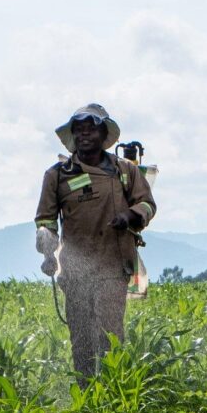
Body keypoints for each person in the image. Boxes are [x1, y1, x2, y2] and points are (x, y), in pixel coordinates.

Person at [35, 104, 157, 381]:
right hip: (75, 269)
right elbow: (46, 221)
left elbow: (148, 204)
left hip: (114, 264)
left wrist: (130, 216)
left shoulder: (125, 170)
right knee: (81, 336)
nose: (84, 135)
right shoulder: (57, 175)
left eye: (91, 130)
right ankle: (86, 393)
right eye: (79, 131)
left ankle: (114, 390)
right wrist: (47, 252)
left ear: (104, 135)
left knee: (110, 333)